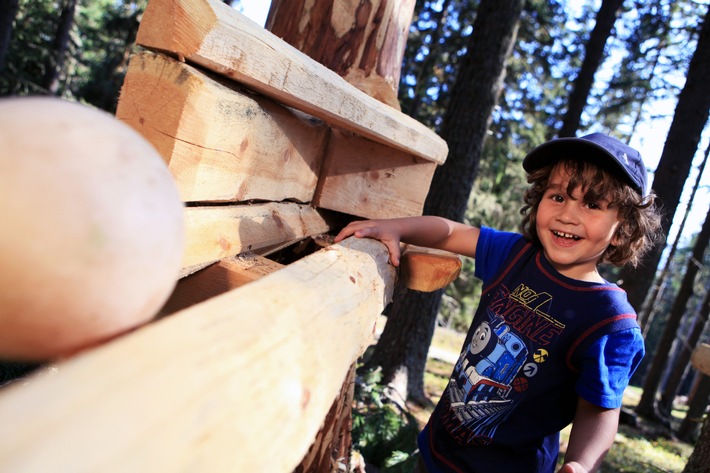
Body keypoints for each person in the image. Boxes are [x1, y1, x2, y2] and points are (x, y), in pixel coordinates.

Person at [334, 133, 662, 473]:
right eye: (558, 196)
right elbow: (450, 232)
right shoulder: (515, 255)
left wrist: (582, 464)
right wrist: (396, 228)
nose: (568, 214)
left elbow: (599, 409)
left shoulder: (610, 321)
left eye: (592, 204)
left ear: (623, 229)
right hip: (436, 452)